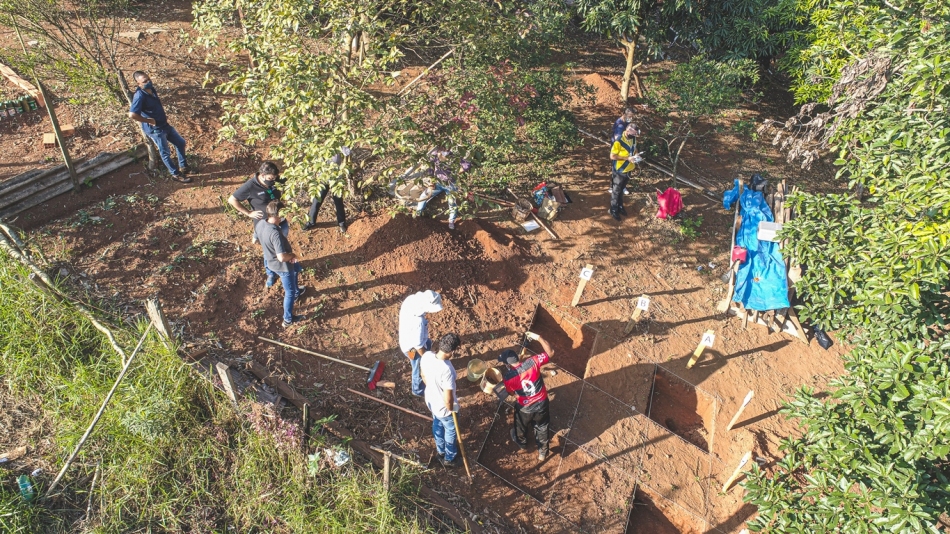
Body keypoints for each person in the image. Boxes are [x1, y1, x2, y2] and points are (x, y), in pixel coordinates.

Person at [229, 162, 290, 285]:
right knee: (269, 252)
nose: (274, 181)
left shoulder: (276, 179)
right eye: (270, 178)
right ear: (262, 175)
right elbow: (232, 199)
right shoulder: (250, 186)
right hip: (265, 226)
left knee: (281, 246)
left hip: (281, 222)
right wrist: (248, 213)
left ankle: (286, 265)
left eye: (275, 178)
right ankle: (271, 273)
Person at [497, 332, 555, 461]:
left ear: (507, 365)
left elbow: (511, 393)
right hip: (542, 402)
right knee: (542, 426)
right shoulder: (532, 362)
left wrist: (517, 395)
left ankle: (521, 443)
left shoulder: (508, 377)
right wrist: (539, 337)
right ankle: (542, 452)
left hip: (525, 407)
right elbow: (550, 352)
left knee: (520, 425)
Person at [128, 71, 191, 183]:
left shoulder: (151, 89)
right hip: (155, 130)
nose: (148, 82)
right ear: (138, 84)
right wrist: (148, 120)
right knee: (165, 152)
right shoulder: (139, 95)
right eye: (145, 81)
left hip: (164, 125)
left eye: (148, 79)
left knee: (180, 142)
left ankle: (184, 167)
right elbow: (132, 114)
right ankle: (176, 174)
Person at [254, 201, 307, 328]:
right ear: (278, 215)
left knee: (295, 271)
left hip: (271, 263)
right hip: (283, 267)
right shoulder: (275, 233)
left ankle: (297, 292)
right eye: (284, 213)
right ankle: (288, 319)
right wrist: (292, 256)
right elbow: (282, 257)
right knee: (289, 292)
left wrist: (269, 249)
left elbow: (255, 240)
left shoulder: (261, 223)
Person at [420, 333, 462, 468]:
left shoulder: (426, 356)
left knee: (437, 423)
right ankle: (449, 458)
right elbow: (448, 397)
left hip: (431, 401)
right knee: (450, 430)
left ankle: (441, 451)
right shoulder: (447, 370)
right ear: (452, 351)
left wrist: (433, 389)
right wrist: (451, 409)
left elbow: (423, 375)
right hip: (444, 408)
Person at [398, 290, 444, 397]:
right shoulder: (418, 322)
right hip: (412, 349)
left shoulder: (411, 300)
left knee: (428, 343)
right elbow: (418, 346)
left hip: (407, 339)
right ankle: (417, 389)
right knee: (418, 368)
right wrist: (426, 359)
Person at [415, 148, 470, 230]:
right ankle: (418, 214)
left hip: (451, 184)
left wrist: (456, 173)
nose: (444, 150)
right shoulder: (435, 153)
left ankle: (451, 220)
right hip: (438, 182)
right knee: (424, 196)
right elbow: (430, 167)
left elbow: (466, 165)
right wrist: (431, 181)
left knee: (452, 202)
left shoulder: (454, 155)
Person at [303, 148, 349, 234]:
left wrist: (341, 148)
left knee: (338, 202)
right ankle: (310, 222)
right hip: (324, 178)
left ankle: (341, 223)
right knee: (317, 201)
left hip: (336, 179)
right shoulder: (320, 146)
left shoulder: (338, 146)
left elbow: (347, 152)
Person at [608, 121, 642, 221]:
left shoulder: (633, 139)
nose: (635, 136)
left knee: (622, 188)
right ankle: (613, 209)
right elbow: (612, 156)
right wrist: (627, 158)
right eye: (633, 134)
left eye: (635, 134)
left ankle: (620, 206)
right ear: (628, 131)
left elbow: (634, 148)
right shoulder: (618, 141)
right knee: (616, 190)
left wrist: (636, 155)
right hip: (620, 170)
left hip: (629, 168)